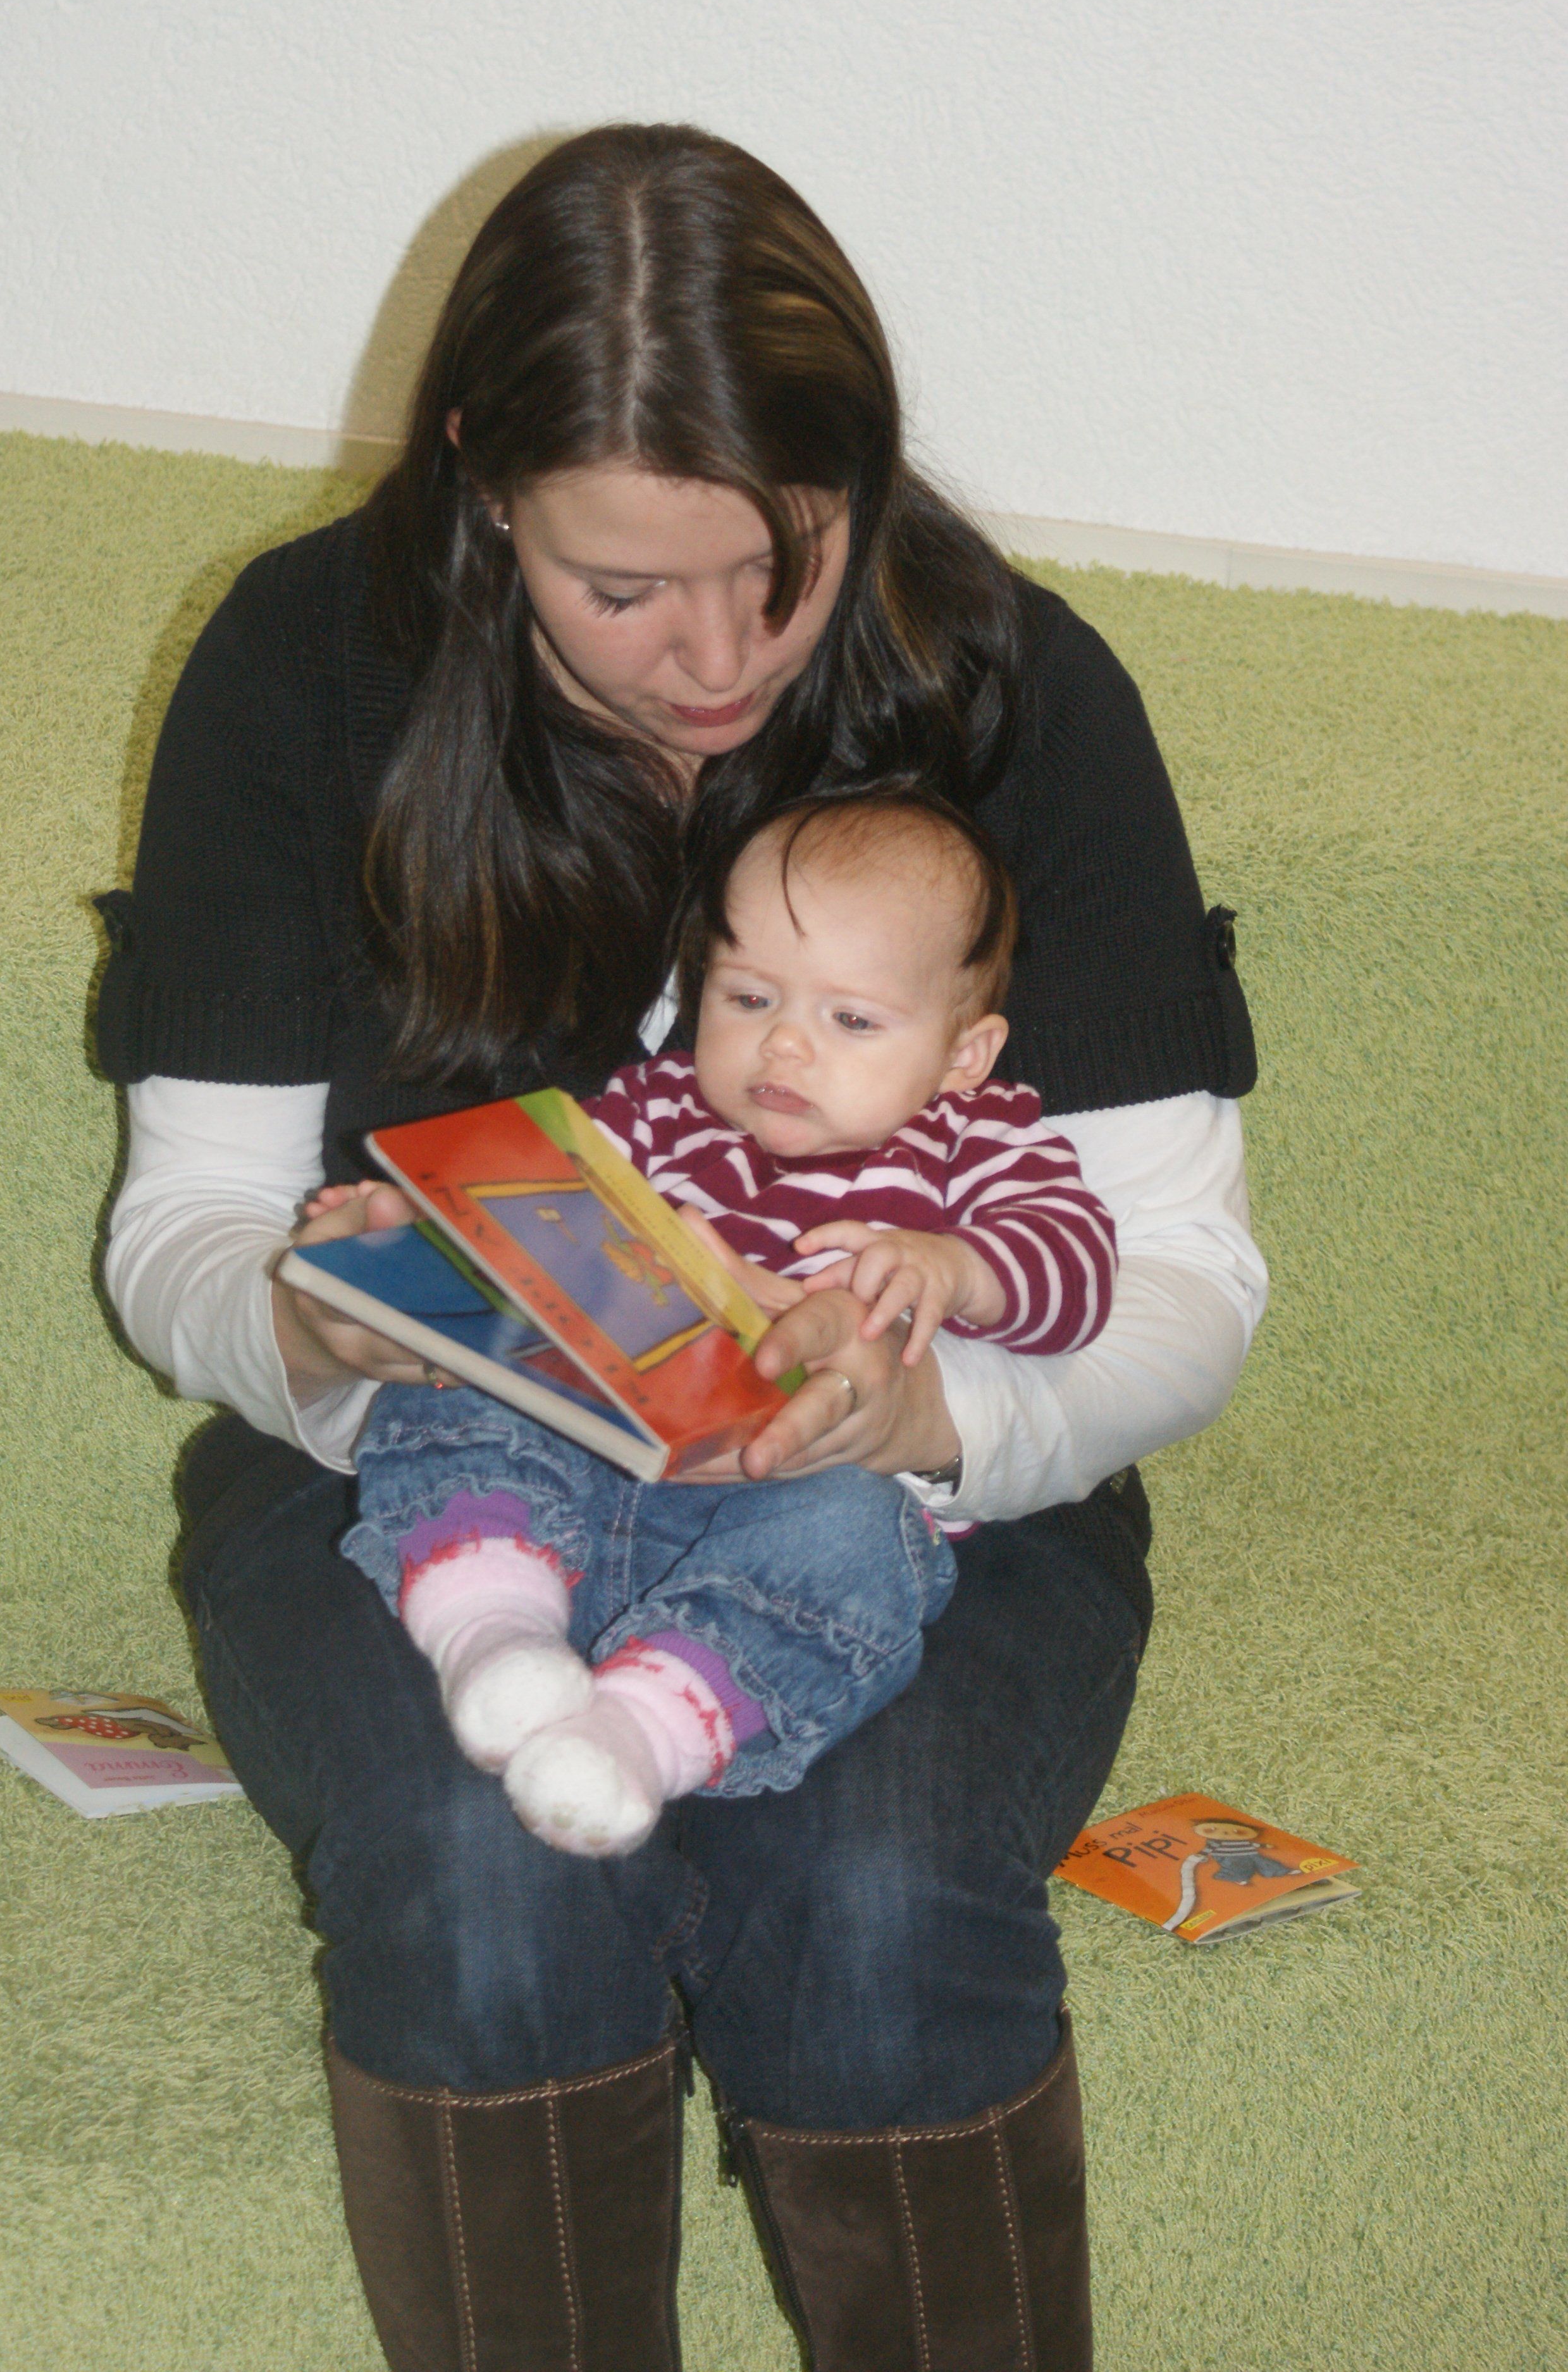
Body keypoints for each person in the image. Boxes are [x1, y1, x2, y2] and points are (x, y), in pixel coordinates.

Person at [97, 125, 1266, 2369]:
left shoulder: (1014, 687)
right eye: (622, 588)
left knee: (874, 1902)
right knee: (486, 1882)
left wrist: (934, 1407)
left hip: (919, 1504)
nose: (715, 660)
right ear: (481, 485)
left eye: (780, 566)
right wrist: (318, 1330)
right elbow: (187, 1229)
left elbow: (1183, 1282)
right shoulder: (305, 669)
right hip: (421, 1467)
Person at [331, 790, 1118, 1863]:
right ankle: (493, 1636)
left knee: (861, 1543)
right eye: (748, 997)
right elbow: (531, 1222)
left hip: (789, 1505)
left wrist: (959, 1267)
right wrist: (415, 1236)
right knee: (453, 1388)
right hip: (586, 1471)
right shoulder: (654, 1109)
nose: (783, 1045)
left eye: (851, 1021)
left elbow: (1079, 1271)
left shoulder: (979, 1139)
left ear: (962, 1054)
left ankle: (636, 1735)